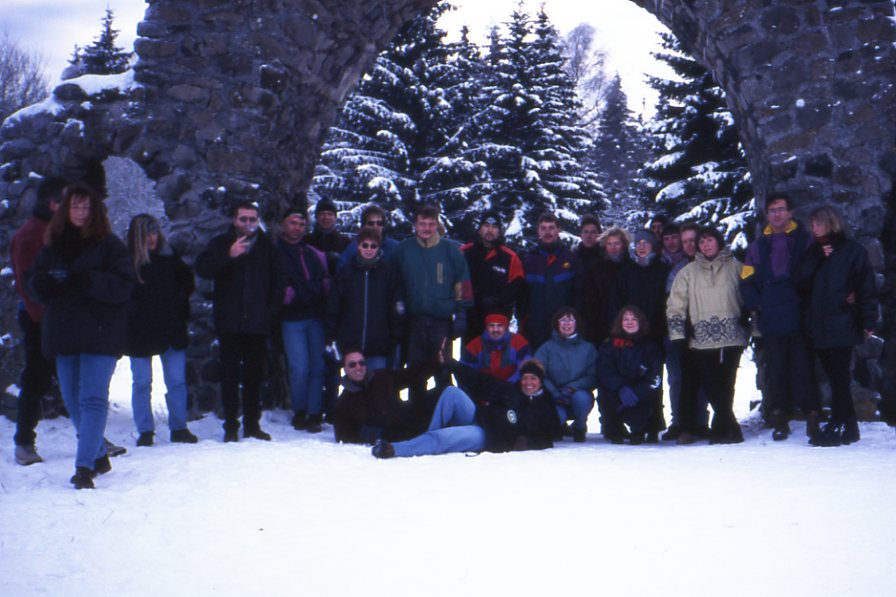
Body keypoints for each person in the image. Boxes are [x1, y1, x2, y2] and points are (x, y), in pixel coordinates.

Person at [28, 182, 134, 489]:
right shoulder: (53, 245)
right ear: (65, 209)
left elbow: (124, 286)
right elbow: (32, 281)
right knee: (72, 400)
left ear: (96, 211)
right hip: (63, 331)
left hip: (100, 331)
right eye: (75, 206)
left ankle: (84, 466)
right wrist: (47, 283)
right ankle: (98, 454)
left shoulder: (110, 245)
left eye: (87, 207)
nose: (81, 212)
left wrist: (86, 281)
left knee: (91, 398)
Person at [195, 201, 278, 442]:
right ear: (234, 220)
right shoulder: (221, 243)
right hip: (229, 322)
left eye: (252, 219)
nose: (248, 224)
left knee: (254, 376)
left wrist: (269, 312)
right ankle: (231, 425)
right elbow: (204, 269)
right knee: (229, 376)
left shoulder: (266, 246)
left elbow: (278, 281)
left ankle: (252, 424)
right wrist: (228, 256)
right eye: (244, 219)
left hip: (257, 323)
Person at [795, 205, 878, 447]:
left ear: (831, 223)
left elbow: (866, 287)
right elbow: (799, 283)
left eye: (818, 224)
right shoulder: (813, 252)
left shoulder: (852, 252)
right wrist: (818, 257)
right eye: (812, 225)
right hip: (819, 325)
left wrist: (869, 320)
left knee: (839, 377)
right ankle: (849, 427)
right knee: (835, 376)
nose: (814, 228)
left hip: (843, 322)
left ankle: (838, 423)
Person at [740, 193, 818, 441]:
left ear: (790, 212)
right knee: (776, 371)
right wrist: (758, 305)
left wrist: (805, 302)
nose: (777, 214)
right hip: (771, 317)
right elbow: (746, 282)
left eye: (781, 209)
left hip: (799, 315)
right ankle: (779, 416)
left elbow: (814, 274)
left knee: (803, 367)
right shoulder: (757, 246)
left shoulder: (805, 241)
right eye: (772, 210)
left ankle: (813, 414)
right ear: (766, 214)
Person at [371, 358, 558, 458]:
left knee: (442, 437)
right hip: (479, 417)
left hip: (489, 437)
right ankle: (425, 442)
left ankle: (394, 449)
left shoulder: (545, 406)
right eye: (525, 378)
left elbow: (549, 437)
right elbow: (481, 381)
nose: (528, 382)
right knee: (451, 392)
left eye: (533, 378)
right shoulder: (511, 390)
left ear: (540, 381)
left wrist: (528, 443)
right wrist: (454, 365)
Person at [667, 226, 747, 445]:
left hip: (732, 336)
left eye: (709, 240)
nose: (705, 245)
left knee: (726, 384)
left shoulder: (737, 267)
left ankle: (722, 429)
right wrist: (679, 335)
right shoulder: (687, 272)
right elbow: (675, 306)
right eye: (701, 242)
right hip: (701, 339)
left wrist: (752, 325)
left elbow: (750, 297)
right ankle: (730, 427)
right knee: (710, 384)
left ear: (718, 242)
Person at [125, 214, 198, 447]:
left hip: (170, 328)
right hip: (139, 331)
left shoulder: (169, 258)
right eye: (146, 233)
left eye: (154, 232)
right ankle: (145, 430)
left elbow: (187, 282)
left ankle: (179, 427)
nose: (152, 238)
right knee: (142, 382)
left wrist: (177, 304)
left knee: (176, 380)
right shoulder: (126, 263)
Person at [390, 204, 472, 400]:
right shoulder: (404, 250)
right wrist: (397, 309)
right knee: (415, 371)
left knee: (443, 368)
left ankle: (444, 413)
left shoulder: (450, 250)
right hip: (413, 321)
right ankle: (415, 416)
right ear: (415, 225)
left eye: (431, 224)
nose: (426, 228)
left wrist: (461, 315)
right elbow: (393, 283)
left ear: (437, 225)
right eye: (422, 224)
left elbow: (463, 284)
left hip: (441, 322)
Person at [10, 177, 64, 465]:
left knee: (73, 377)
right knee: (36, 378)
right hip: (40, 319)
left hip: (62, 317)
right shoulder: (31, 234)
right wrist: (42, 320)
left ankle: (92, 439)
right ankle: (23, 442)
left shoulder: (60, 231)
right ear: (52, 203)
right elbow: (25, 282)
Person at [274, 208, 330, 433]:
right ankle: (299, 409)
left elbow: (323, 280)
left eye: (301, 224)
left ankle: (314, 412)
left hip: (315, 317)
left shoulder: (311, 253)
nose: (297, 227)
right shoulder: (275, 252)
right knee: (299, 367)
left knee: (317, 366)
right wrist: (291, 295)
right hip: (292, 319)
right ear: (283, 224)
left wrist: (314, 291)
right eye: (293, 223)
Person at [327, 226, 405, 371]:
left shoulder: (388, 274)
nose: (369, 249)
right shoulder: (346, 274)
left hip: (379, 346)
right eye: (365, 245)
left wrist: (393, 338)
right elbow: (334, 306)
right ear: (358, 246)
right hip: (351, 346)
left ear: (379, 247)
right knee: (353, 389)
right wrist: (332, 335)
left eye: (373, 246)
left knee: (376, 388)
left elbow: (397, 309)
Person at [616, 229, 670, 440]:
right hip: (630, 334)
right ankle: (637, 423)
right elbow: (618, 303)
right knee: (633, 378)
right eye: (638, 243)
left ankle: (655, 423)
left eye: (645, 243)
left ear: (653, 246)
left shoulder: (663, 270)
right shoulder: (626, 272)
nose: (641, 246)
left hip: (656, 333)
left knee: (654, 379)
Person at [330, 349, 439, 444]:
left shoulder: (380, 377)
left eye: (361, 363)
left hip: (409, 417)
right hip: (398, 434)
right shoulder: (344, 403)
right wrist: (377, 434)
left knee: (442, 393)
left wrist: (437, 361)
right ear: (345, 369)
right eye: (352, 364)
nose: (358, 367)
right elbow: (343, 436)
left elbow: (409, 375)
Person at [596, 306, 663, 444]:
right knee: (605, 397)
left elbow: (654, 378)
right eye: (625, 319)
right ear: (620, 323)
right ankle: (614, 428)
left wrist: (636, 393)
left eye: (634, 319)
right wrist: (621, 388)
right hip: (617, 394)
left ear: (641, 322)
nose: (629, 322)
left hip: (640, 397)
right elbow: (604, 372)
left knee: (642, 411)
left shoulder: (651, 348)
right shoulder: (609, 346)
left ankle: (645, 429)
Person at [534, 307, 597, 442]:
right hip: (554, 397)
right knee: (558, 415)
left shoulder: (588, 348)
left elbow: (593, 376)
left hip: (577, 394)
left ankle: (579, 427)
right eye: (562, 320)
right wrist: (555, 393)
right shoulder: (546, 348)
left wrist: (572, 387)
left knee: (582, 399)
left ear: (577, 323)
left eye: (570, 320)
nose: (566, 324)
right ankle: (560, 426)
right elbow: (538, 373)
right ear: (557, 324)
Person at [460, 210, 524, 343]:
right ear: (479, 229)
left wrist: (496, 301)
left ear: (500, 231)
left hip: (497, 321)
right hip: (470, 319)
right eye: (486, 226)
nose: (490, 230)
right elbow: (455, 281)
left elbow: (516, 286)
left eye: (494, 227)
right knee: (470, 360)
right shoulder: (465, 253)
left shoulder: (510, 257)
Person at [520, 212, 580, 349]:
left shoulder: (571, 259)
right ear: (538, 231)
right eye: (544, 228)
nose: (548, 232)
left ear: (559, 230)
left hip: (563, 328)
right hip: (535, 329)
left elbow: (578, 295)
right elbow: (522, 297)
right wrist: (524, 320)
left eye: (552, 227)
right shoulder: (529, 260)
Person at [580, 226, 630, 347]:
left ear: (623, 244)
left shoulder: (631, 267)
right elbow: (589, 300)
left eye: (616, 243)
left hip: (628, 324)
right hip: (602, 325)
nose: (613, 247)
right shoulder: (597, 268)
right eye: (609, 244)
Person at [460, 312, 531, 382]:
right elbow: (465, 372)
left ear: (506, 327)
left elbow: (525, 369)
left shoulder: (520, 343)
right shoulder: (473, 346)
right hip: (483, 389)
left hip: (512, 387)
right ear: (486, 327)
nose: (495, 330)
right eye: (491, 325)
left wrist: (508, 385)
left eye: (499, 325)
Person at [336, 204, 400, 272]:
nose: (375, 226)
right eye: (371, 223)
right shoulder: (353, 248)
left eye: (379, 223)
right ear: (364, 225)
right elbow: (341, 272)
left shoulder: (395, 247)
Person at [305, 198, 351, 274]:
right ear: (316, 217)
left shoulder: (346, 243)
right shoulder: (306, 241)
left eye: (330, 214)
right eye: (322, 213)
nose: (326, 217)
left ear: (335, 218)